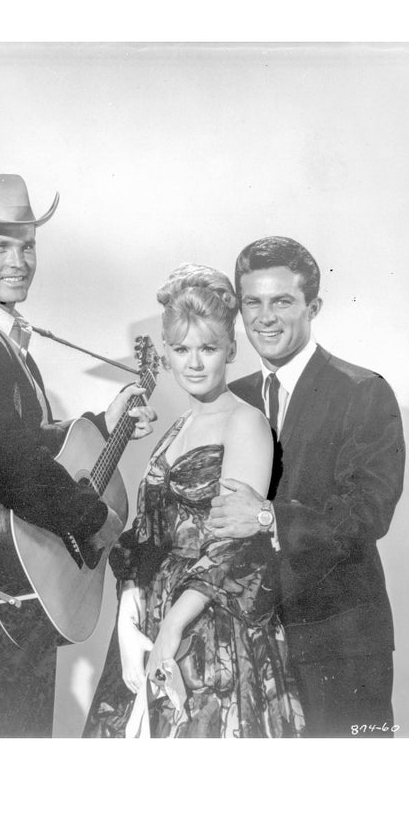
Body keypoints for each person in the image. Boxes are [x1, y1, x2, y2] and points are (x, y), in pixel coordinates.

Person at [0, 173, 156, 737]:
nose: (18, 260)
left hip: (16, 563)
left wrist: (104, 422)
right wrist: (93, 519)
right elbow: (7, 462)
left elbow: (22, 442)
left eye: (27, 246)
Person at [83, 264, 305, 738]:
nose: (195, 363)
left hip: (211, 620)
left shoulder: (245, 422)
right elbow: (145, 536)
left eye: (207, 348)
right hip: (156, 611)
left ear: (231, 348)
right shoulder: (174, 430)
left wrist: (171, 629)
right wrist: (128, 619)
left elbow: (232, 544)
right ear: (165, 354)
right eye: (182, 350)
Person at [208, 236, 405, 738]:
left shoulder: (363, 392)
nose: (265, 317)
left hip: (338, 639)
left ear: (313, 306)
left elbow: (367, 514)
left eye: (283, 301)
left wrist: (268, 516)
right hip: (248, 639)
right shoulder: (235, 398)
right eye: (253, 301)